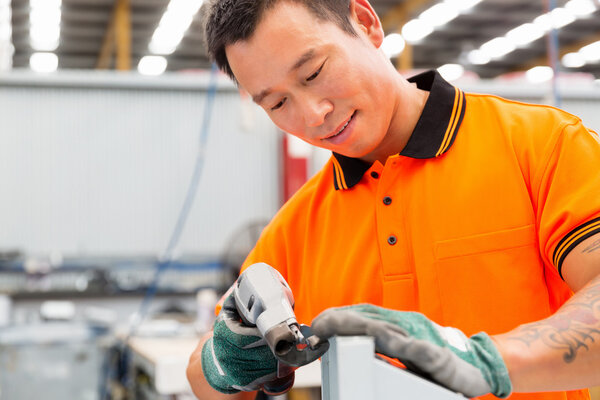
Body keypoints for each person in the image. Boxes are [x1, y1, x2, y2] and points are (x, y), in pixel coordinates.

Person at [186, 0, 600, 399]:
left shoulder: (541, 147)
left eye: (313, 73)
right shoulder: (301, 225)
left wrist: (487, 362)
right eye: (277, 103)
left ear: (365, 23)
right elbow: (204, 378)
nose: (313, 114)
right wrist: (226, 360)